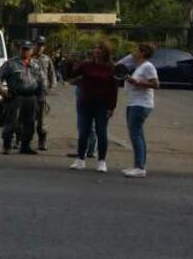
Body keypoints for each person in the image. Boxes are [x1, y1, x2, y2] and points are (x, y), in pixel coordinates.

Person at [66, 41, 116, 173]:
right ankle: (80, 159)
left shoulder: (110, 67)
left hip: (102, 104)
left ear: (106, 52)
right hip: (85, 102)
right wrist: (70, 62)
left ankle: (102, 161)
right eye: (95, 48)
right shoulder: (86, 65)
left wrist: (111, 107)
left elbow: (113, 88)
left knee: (101, 132)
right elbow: (71, 75)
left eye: (100, 48)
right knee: (83, 131)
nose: (97, 50)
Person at [0, 40, 45, 155]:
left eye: (27, 49)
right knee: (12, 123)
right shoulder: (10, 64)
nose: (25, 51)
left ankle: (25, 146)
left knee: (30, 124)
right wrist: (2, 92)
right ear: (20, 50)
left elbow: (42, 81)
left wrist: (41, 96)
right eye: (23, 49)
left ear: (32, 51)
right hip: (15, 98)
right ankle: (7, 145)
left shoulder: (36, 65)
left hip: (31, 98)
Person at [123, 43, 160, 178]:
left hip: (141, 104)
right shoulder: (140, 67)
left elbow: (156, 84)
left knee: (136, 135)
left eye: (136, 50)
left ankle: (140, 167)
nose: (133, 52)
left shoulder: (148, 66)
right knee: (138, 135)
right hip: (134, 103)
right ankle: (138, 165)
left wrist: (137, 83)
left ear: (143, 53)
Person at [32, 36, 56, 150]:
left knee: (42, 121)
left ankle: (42, 140)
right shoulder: (29, 58)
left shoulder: (47, 59)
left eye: (42, 45)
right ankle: (22, 140)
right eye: (38, 45)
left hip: (42, 93)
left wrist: (51, 88)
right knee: (26, 118)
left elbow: (52, 75)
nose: (40, 47)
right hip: (29, 92)